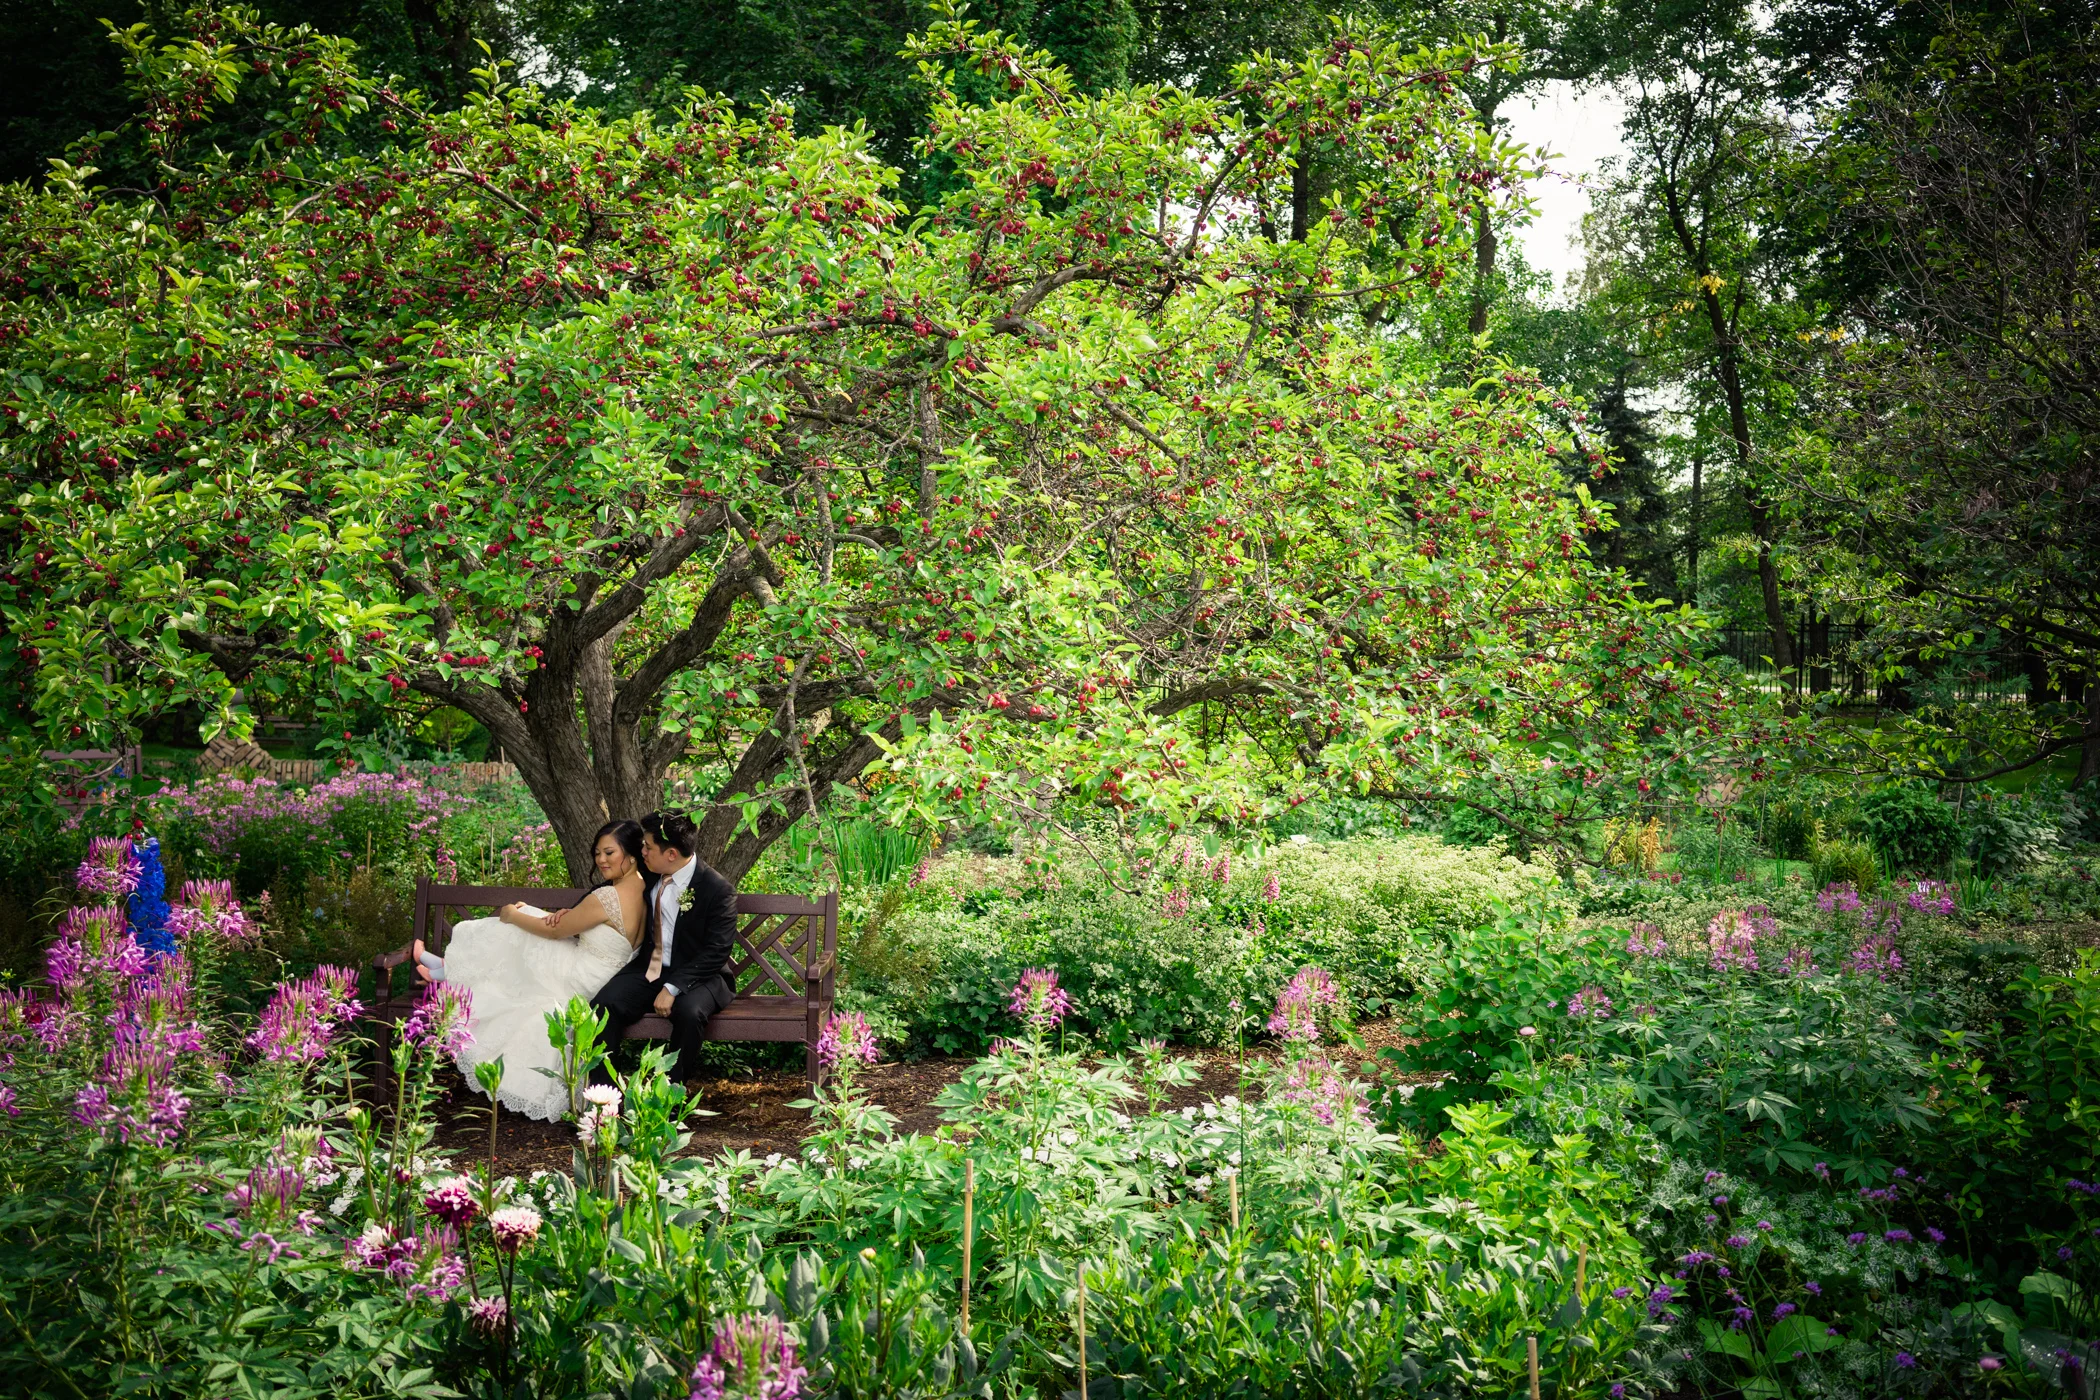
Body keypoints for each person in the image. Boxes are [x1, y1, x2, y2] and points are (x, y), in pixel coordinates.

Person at [410, 819, 649, 1120]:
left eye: (609, 853)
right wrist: (538, 916)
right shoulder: (645, 889)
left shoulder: (608, 897)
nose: (601, 860)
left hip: (580, 976)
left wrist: (511, 915)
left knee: (518, 929)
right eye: (597, 853)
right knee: (531, 920)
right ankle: (447, 968)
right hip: (605, 975)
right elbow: (575, 925)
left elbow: (554, 932)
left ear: (630, 854)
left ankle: (448, 973)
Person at [588, 810, 739, 1089]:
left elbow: (717, 951)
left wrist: (673, 988)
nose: (641, 851)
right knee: (603, 1006)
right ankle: (604, 1099)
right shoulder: (650, 870)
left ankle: (667, 1098)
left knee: (689, 1012)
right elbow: (608, 890)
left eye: (647, 847)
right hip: (650, 968)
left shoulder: (717, 890)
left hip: (701, 977)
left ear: (671, 854)